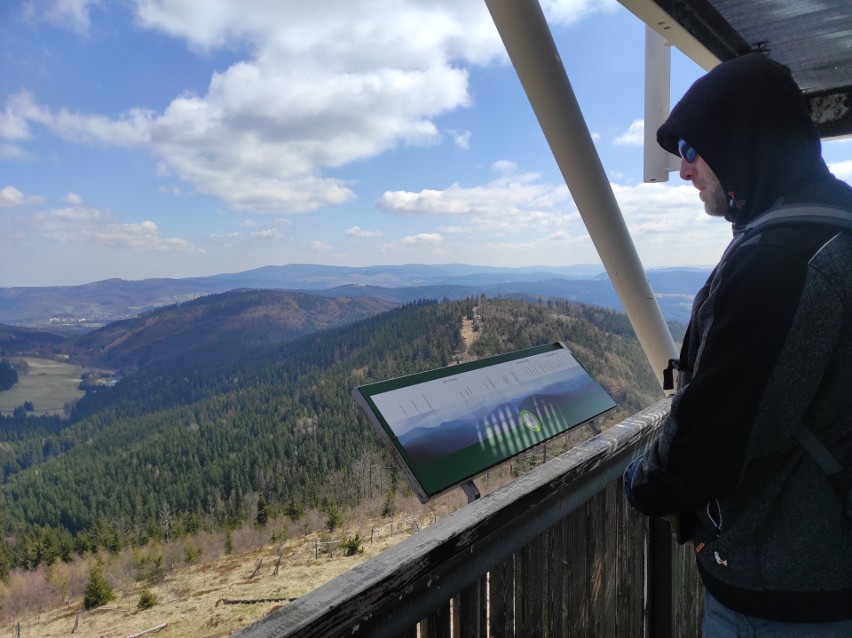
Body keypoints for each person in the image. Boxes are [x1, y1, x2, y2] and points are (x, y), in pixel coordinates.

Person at [623, 51, 852, 635]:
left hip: (784, 594)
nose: (684, 170)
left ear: (739, 145)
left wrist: (643, 481)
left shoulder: (777, 262)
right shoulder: (837, 224)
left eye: (693, 150)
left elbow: (713, 437)